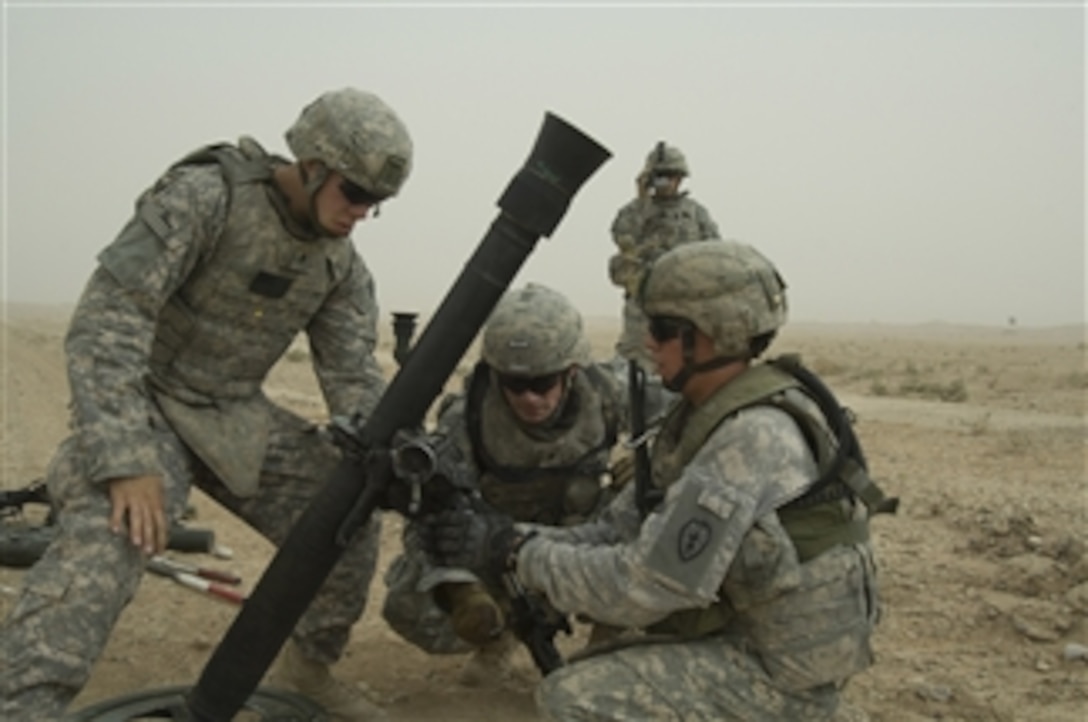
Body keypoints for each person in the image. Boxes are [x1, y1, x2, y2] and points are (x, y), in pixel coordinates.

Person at [0, 87, 412, 722]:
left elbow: (352, 376)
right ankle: (20, 703)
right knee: (112, 536)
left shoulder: (340, 267)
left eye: (376, 203)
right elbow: (107, 321)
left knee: (346, 512)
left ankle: (308, 669)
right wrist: (124, 456)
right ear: (312, 165)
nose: (362, 212)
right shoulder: (204, 198)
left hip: (231, 417)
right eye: (354, 193)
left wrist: (385, 454)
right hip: (143, 407)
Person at [426, 241, 890, 721]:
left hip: (782, 672)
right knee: (592, 671)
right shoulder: (702, 416)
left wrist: (517, 554)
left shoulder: (751, 437)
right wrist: (508, 539)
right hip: (745, 634)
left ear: (716, 335)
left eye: (665, 329)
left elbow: (644, 585)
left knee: (575, 699)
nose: (649, 342)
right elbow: (616, 530)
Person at [381, 283, 631, 686]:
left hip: (586, 542)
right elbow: (430, 518)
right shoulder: (468, 419)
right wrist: (463, 591)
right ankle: (499, 640)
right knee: (410, 602)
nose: (529, 398)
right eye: (514, 385)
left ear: (571, 372)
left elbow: (684, 420)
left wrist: (650, 457)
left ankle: (608, 651)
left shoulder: (608, 394)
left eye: (543, 382)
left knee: (649, 518)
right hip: (500, 546)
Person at [607, 141, 720, 371]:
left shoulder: (696, 214)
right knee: (636, 365)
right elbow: (623, 237)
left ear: (680, 178)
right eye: (659, 176)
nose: (664, 182)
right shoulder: (635, 211)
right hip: (643, 307)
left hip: (685, 305)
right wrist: (641, 200)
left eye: (669, 175)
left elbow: (714, 253)